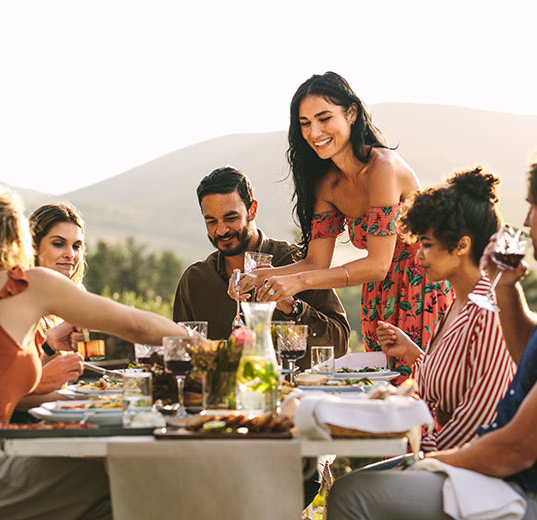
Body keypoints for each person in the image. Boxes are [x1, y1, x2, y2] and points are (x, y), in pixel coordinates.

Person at [327, 145, 537, 520]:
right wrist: (508, 288)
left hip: (536, 496)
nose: (527, 222)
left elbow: (517, 449)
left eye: (533, 208)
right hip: (514, 481)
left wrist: (431, 462)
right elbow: (533, 353)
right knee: (361, 485)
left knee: (353, 495)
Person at [0, 185, 191, 519]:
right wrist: (202, 345)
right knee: (126, 480)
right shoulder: (27, 284)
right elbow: (135, 325)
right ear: (16, 236)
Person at [236, 72, 452, 378]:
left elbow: (378, 264)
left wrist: (301, 283)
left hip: (424, 288)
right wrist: (261, 277)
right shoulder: (328, 185)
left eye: (324, 118)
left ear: (351, 113)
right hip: (379, 297)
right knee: (382, 391)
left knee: (425, 388)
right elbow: (315, 261)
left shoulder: (383, 168)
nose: (314, 132)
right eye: (305, 123)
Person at [376, 167, 516, 452]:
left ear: (462, 245)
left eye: (426, 245)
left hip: (474, 468)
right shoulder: (459, 303)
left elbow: (479, 421)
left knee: (351, 492)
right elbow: (453, 380)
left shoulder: (489, 312)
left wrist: (415, 449)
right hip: (447, 455)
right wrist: (414, 354)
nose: (418, 255)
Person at [173, 166, 350, 365]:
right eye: (211, 221)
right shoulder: (195, 280)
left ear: (253, 210)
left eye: (231, 218)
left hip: (296, 393)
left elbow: (340, 343)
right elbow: (180, 352)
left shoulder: (297, 262)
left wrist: (293, 307)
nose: (221, 230)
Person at [12, 202, 88, 417]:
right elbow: (12, 395)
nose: (70, 255)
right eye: (58, 244)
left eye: (76, 246)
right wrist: (82, 398)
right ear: (34, 247)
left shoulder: (69, 299)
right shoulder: (17, 300)